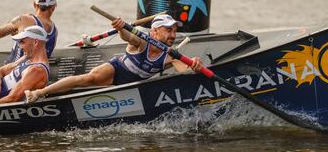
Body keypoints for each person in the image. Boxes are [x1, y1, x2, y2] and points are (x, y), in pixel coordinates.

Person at [25, 14, 203, 102]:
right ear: (155, 32)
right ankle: (38, 93)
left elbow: (185, 72)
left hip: (134, 86)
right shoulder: (142, 41)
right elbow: (128, 37)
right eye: (168, 30)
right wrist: (120, 28)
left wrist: (195, 65)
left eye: (174, 31)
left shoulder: (172, 56)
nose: (173, 35)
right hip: (116, 71)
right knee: (87, 79)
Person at [0, 25, 50, 105]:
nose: (20, 46)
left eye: (22, 42)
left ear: (35, 42)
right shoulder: (26, 58)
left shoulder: (37, 70)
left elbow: (12, 98)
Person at [0, 0, 58, 64]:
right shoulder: (55, 31)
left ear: (34, 4)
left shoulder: (24, 19)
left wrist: (15, 21)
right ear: (53, 8)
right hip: (35, 73)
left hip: (12, 72)